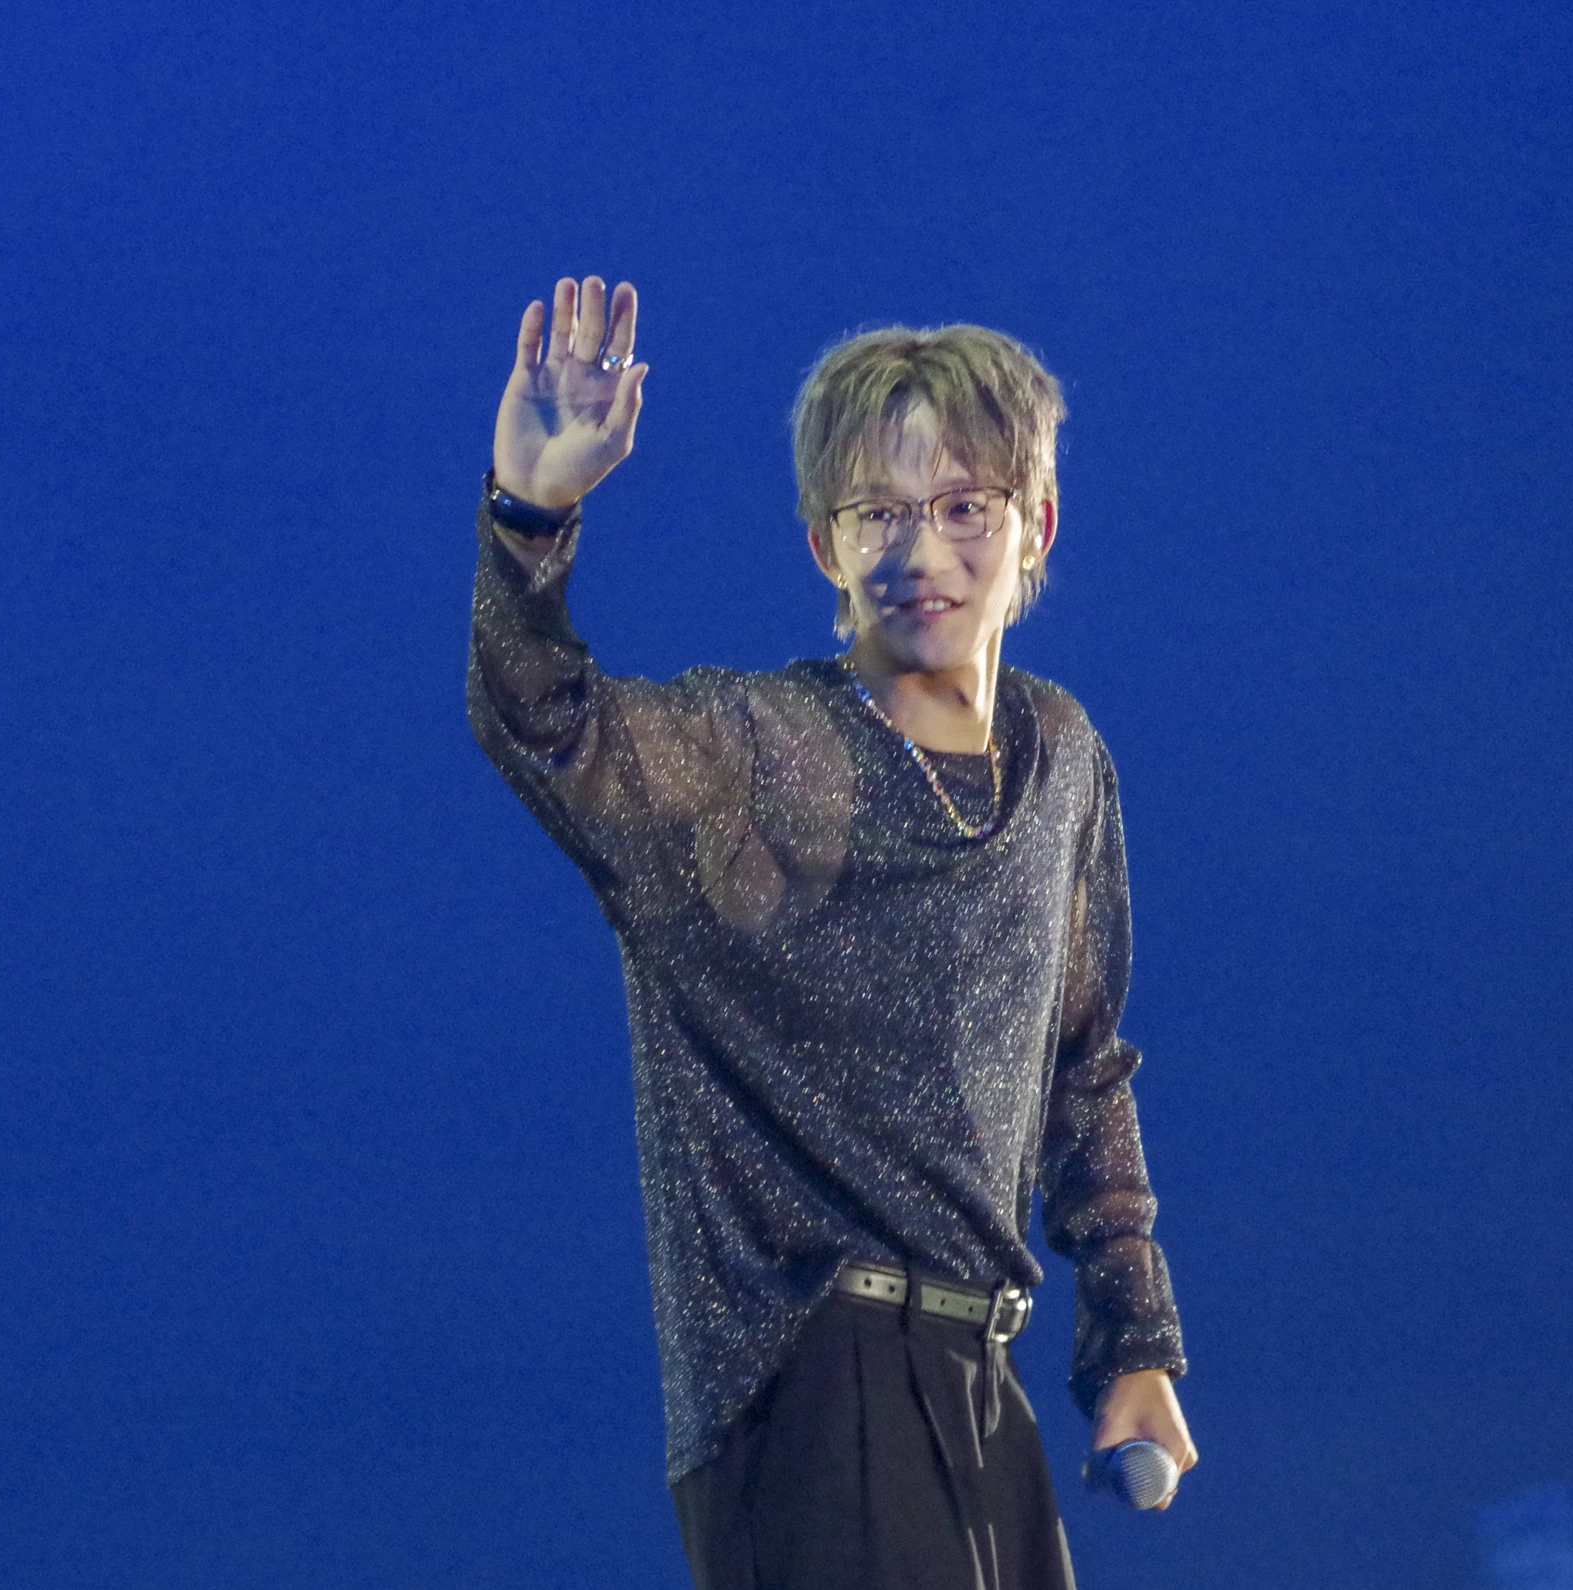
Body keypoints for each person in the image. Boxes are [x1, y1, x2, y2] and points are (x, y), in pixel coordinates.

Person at [467, 275, 1195, 1590]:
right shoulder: (757, 750)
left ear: (1035, 522)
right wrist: (532, 512)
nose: (922, 550)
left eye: (963, 506)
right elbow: (545, 723)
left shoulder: (1062, 755)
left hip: (983, 1375)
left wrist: (1135, 1345)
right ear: (826, 545)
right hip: (808, 1368)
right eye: (879, 512)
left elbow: (1081, 1068)